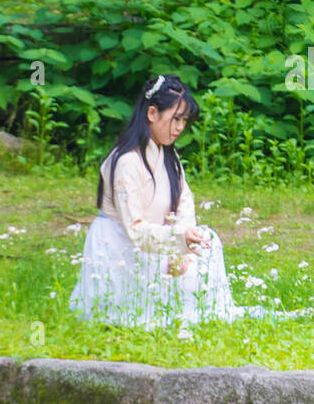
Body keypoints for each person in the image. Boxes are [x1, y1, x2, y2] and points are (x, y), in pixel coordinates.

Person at [70, 74, 300, 333]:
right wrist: (177, 241)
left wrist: (185, 242)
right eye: (175, 118)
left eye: (183, 121)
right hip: (123, 246)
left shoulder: (167, 154)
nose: (179, 127)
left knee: (208, 244)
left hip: (162, 240)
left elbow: (184, 200)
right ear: (152, 113)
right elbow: (133, 229)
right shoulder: (126, 161)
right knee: (145, 311)